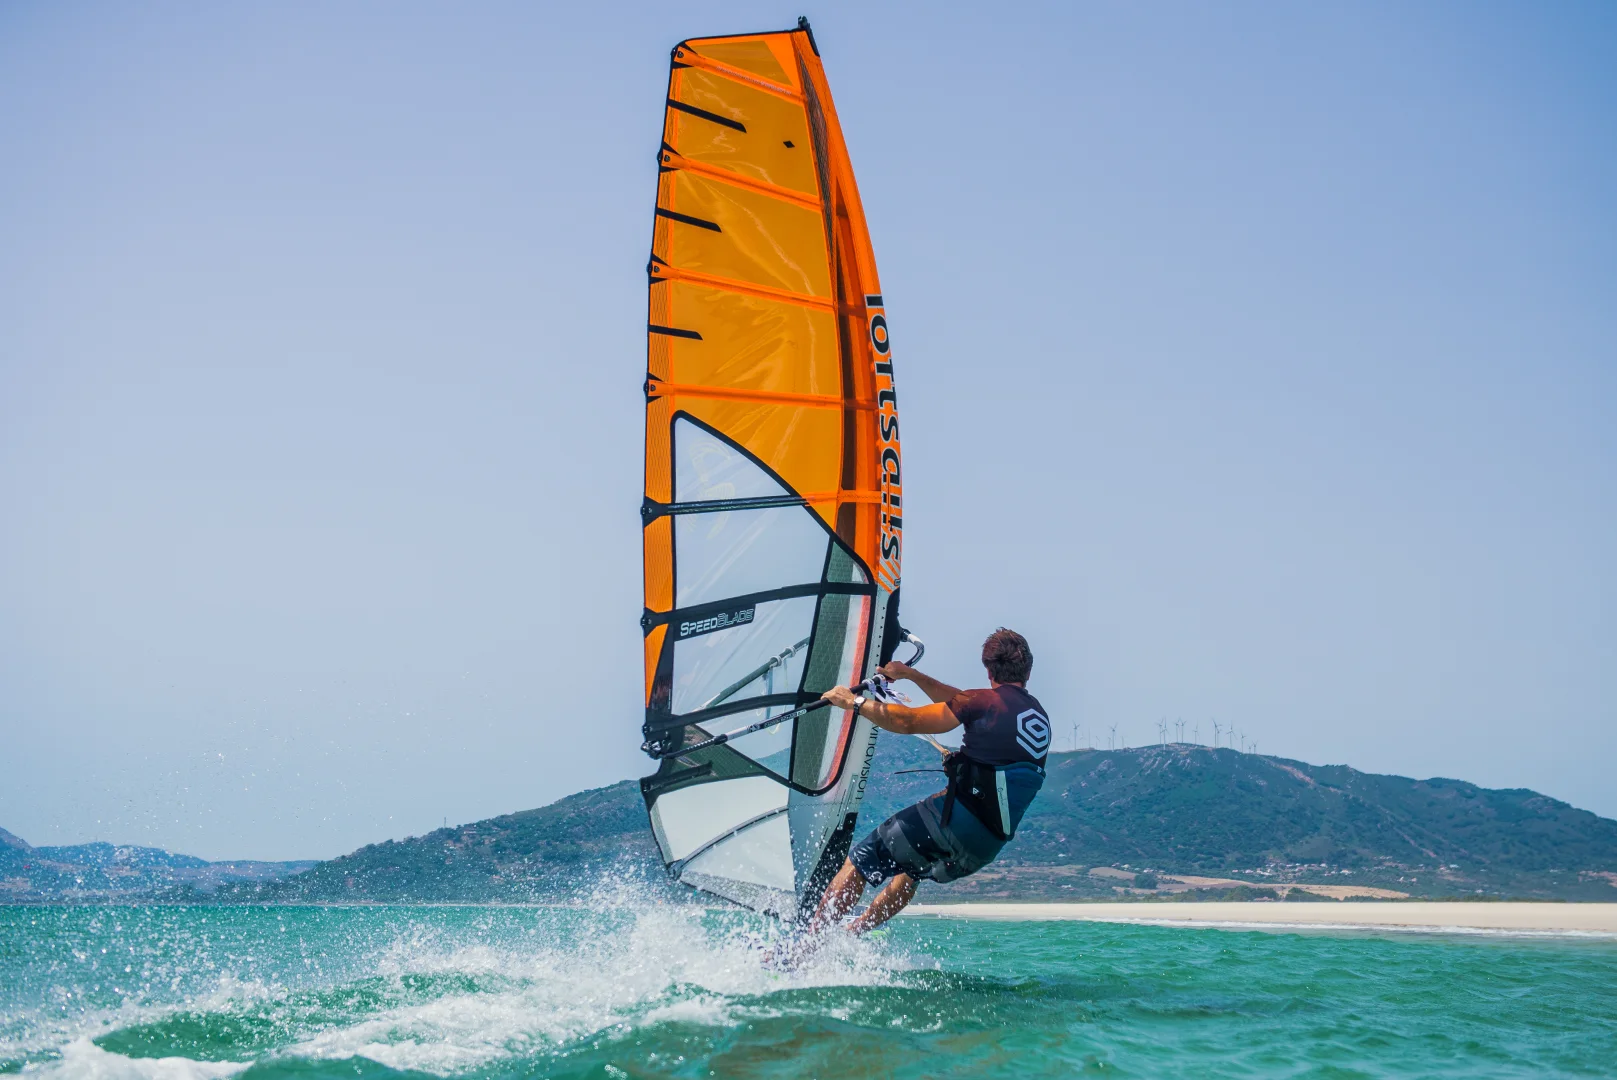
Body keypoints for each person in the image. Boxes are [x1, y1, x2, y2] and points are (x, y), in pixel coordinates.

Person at [808, 627, 1051, 936]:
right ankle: (852, 933)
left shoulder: (983, 703)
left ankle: (805, 948)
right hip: (984, 848)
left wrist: (853, 701)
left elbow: (907, 721)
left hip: (954, 824)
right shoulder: (1036, 716)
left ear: (988, 670)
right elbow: (963, 701)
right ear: (1028, 670)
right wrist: (911, 675)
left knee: (860, 861)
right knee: (910, 871)